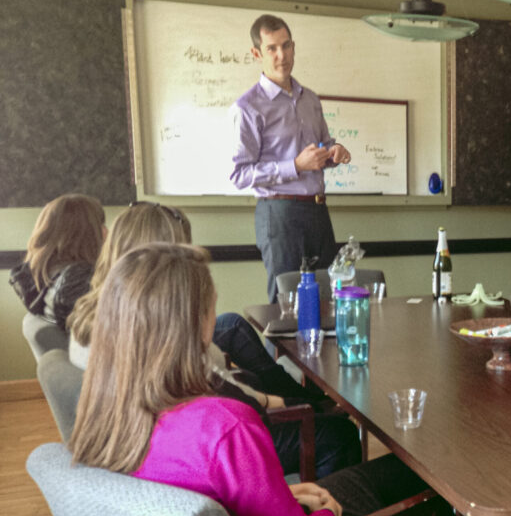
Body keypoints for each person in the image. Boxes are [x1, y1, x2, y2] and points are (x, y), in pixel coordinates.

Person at [68, 243, 511, 516]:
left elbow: (234, 505)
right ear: (190, 325)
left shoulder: (104, 423)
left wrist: (293, 499)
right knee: (420, 508)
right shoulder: (222, 427)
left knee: (401, 475)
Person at [67, 201, 359, 479]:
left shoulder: (103, 315)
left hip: (179, 438)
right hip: (207, 444)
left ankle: (314, 400)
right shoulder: (160, 333)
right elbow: (224, 397)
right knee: (338, 434)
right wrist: (296, 405)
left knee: (234, 329)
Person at [230, 14, 352, 302]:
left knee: (326, 298)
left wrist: (334, 153)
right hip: (279, 213)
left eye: (286, 46)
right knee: (286, 303)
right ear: (257, 53)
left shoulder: (310, 99)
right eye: (272, 48)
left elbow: (322, 147)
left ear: (294, 47)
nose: (281, 56)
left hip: (318, 210)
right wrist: (295, 166)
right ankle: (283, 351)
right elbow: (240, 175)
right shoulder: (248, 107)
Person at [9, 194, 105, 331]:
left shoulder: (44, 278)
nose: (106, 230)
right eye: (101, 224)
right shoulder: (78, 282)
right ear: (87, 233)